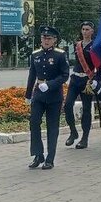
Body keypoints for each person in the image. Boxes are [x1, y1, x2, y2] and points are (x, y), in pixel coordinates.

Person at [24, 26, 70, 170]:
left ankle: (50, 158)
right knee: (34, 122)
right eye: (44, 38)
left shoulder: (60, 55)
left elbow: (64, 75)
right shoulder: (35, 54)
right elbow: (32, 75)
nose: (46, 40)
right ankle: (38, 155)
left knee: (52, 127)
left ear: (54, 40)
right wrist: (28, 94)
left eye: (49, 38)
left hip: (53, 95)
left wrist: (49, 85)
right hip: (38, 95)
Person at [64, 21, 97, 149]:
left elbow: (98, 65)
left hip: (87, 81)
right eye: (83, 29)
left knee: (87, 109)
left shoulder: (95, 46)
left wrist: (95, 79)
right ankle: (73, 132)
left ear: (92, 31)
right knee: (67, 106)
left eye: (87, 29)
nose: (85, 31)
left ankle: (85, 138)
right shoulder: (77, 45)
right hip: (75, 79)